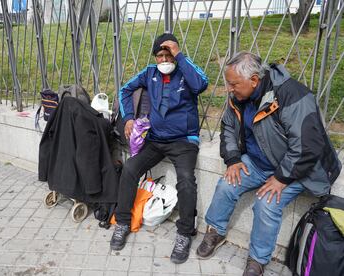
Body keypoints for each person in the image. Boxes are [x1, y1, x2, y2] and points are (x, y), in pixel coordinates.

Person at [196, 51, 342, 275]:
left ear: (254, 80)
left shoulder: (293, 96)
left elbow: (307, 147)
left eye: (233, 84)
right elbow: (227, 127)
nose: (229, 89)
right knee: (227, 184)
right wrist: (233, 159)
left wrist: (281, 178)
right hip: (257, 163)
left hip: (296, 169)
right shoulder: (240, 96)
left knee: (266, 204)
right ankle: (215, 231)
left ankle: (257, 259)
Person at [110, 33, 209, 264]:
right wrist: (128, 119)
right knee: (130, 169)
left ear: (175, 54)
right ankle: (123, 221)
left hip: (184, 140)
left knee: (186, 180)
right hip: (155, 139)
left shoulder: (185, 70)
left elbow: (201, 84)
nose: (164, 60)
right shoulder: (150, 73)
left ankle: (185, 233)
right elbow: (124, 89)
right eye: (160, 56)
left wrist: (180, 56)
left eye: (168, 55)